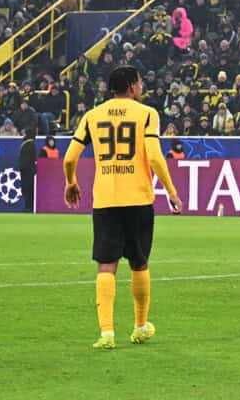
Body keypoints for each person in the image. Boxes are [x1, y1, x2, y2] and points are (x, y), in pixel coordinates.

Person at [62, 65, 183, 350]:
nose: (141, 87)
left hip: (106, 200)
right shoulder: (147, 114)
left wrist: (71, 182)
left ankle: (106, 333)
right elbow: (154, 157)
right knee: (139, 262)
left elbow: (69, 158)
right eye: (139, 83)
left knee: (106, 265)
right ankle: (140, 327)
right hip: (138, 199)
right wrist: (172, 191)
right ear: (131, 86)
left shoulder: (92, 116)